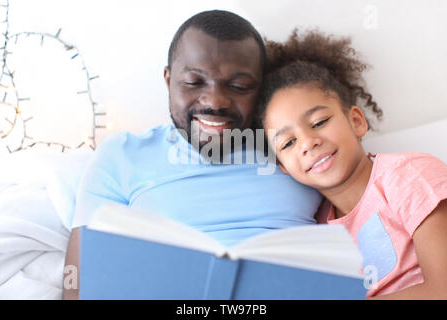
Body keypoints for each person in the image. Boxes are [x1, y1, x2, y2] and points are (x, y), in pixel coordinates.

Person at [62, 11, 322, 299]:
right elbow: (79, 286)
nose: (215, 101)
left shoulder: (294, 148)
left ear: (260, 90)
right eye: (194, 82)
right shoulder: (122, 155)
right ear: (168, 80)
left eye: (239, 87)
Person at [256, 28, 447, 299]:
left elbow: (443, 290)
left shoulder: (410, 177)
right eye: (288, 143)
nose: (308, 142)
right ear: (283, 167)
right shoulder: (316, 231)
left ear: (356, 121)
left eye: (319, 123)